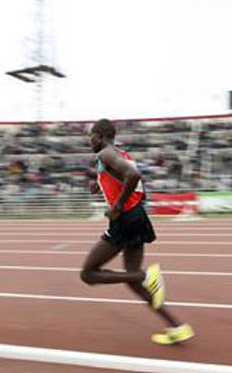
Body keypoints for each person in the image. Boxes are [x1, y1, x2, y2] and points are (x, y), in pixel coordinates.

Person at [80, 118, 194, 345]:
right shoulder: (120, 153)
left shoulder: (105, 153)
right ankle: (177, 327)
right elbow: (126, 179)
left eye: (91, 136)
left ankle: (146, 276)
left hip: (125, 219)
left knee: (89, 274)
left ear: (100, 136)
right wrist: (100, 185)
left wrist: (117, 206)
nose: (89, 141)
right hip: (136, 216)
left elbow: (133, 176)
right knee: (131, 278)